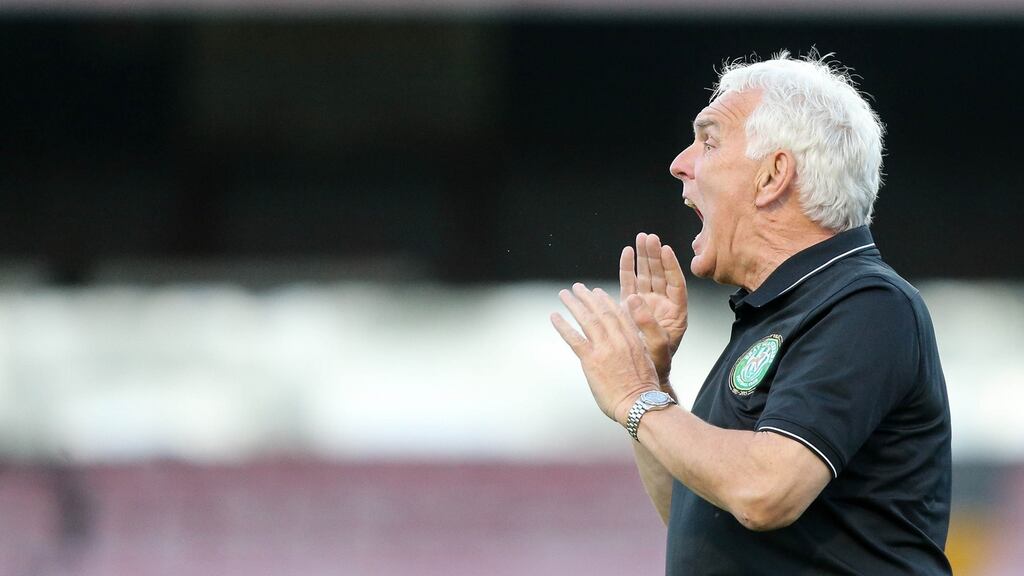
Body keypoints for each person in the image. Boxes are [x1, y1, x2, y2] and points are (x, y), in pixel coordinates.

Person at [551, 51, 952, 575]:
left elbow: (765, 493)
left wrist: (635, 396)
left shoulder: (868, 303)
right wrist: (656, 380)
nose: (680, 162)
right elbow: (700, 509)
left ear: (772, 177)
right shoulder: (778, 314)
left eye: (709, 141)